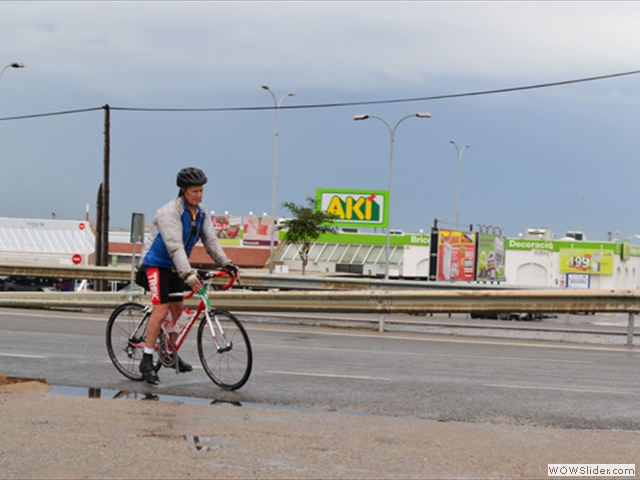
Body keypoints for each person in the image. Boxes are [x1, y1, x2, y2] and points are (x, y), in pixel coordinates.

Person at [135, 167, 239, 385]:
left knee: (178, 311)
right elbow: (174, 248)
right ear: (183, 190)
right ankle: (146, 360)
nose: (198, 195)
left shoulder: (201, 212)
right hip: (155, 265)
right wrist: (188, 274)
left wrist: (227, 264)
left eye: (201, 191)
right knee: (162, 310)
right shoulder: (169, 213)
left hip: (176, 267)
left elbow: (211, 241)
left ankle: (170, 353)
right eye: (194, 191)